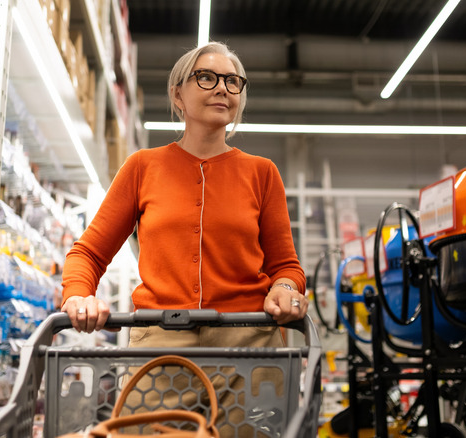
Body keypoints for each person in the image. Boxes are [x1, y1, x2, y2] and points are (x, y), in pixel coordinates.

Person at [60, 42, 307, 436]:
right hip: (160, 346)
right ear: (178, 93)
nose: (222, 88)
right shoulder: (143, 167)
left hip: (249, 347)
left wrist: (285, 287)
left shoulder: (262, 173)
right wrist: (78, 294)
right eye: (206, 78)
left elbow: (286, 266)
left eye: (232, 81)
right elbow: (88, 252)